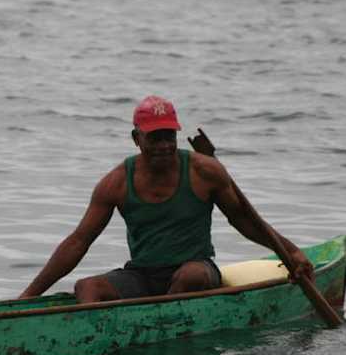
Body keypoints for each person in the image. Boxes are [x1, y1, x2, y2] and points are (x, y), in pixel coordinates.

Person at [19, 96, 314, 303]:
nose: (163, 146)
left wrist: (291, 254)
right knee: (86, 288)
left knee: (191, 276)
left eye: (168, 137)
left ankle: (159, 323)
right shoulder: (117, 181)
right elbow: (78, 242)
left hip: (197, 269)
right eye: (154, 138)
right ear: (137, 138)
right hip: (142, 275)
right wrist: (29, 295)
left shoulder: (204, 171)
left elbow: (244, 219)